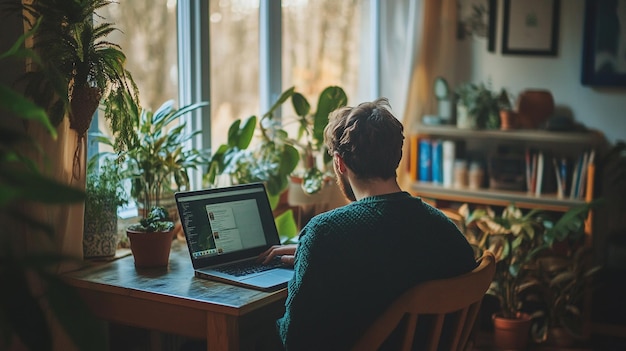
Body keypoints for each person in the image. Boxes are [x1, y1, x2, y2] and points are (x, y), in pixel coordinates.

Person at [258, 98, 478, 351]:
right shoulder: (446, 230)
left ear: (340, 163)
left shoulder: (325, 233)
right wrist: (313, 255)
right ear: (397, 155)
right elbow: (393, 257)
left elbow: (296, 340)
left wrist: (317, 251)